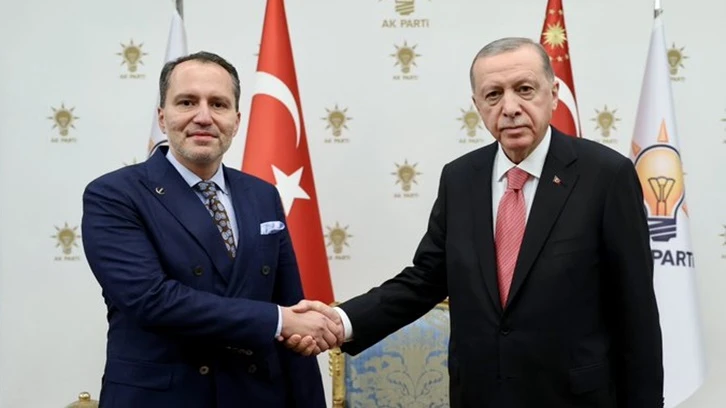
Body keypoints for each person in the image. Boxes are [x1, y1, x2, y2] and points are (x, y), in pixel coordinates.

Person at [285, 37, 664, 407]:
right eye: (493, 94)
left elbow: (636, 312)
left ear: (553, 94)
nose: (510, 107)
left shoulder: (606, 176)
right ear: (477, 105)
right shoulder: (460, 178)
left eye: (525, 89)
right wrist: (340, 320)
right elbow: (424, 280)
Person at [81, 51, 336, 408]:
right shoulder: (114, 194)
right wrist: (278, 321)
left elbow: (291, 306)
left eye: (218, 104)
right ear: (162, 116)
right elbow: (152, 300)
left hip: (257, 397)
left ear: (236, 120)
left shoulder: (263, 195)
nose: (203, 117)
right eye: (187, 102)